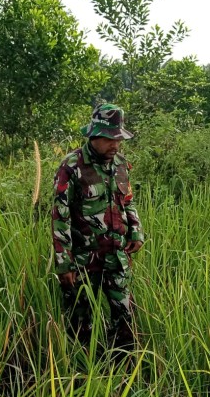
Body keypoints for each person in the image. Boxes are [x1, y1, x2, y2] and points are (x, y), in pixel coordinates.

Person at [52, 103, 145, 350]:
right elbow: (60, 217)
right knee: (80, 324)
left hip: (117, 256)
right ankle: (82, 376)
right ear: (94, 135)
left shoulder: (121, 164)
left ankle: (123, 373)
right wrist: (64, 263)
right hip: (83, 261)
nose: (115, 145)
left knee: (125, 318)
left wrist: (135, 229)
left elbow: (127, 200)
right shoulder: (71, 167)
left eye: (118, 139)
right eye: (108, 139)